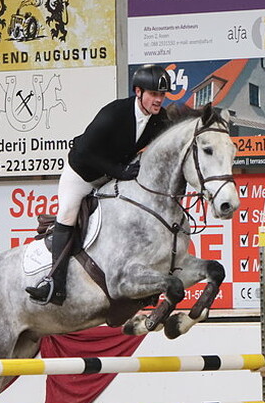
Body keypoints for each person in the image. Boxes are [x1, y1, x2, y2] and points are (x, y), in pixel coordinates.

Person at [26, 64, 172, 305]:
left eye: (162, 95)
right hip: (82, 175)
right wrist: (121, 171)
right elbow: (83, 153)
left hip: (112, 178)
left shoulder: (159, 119)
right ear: (138, 92)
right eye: (154, 94)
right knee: (68, 214)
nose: (159, 100)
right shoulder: (114, 113)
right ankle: (54, 284)